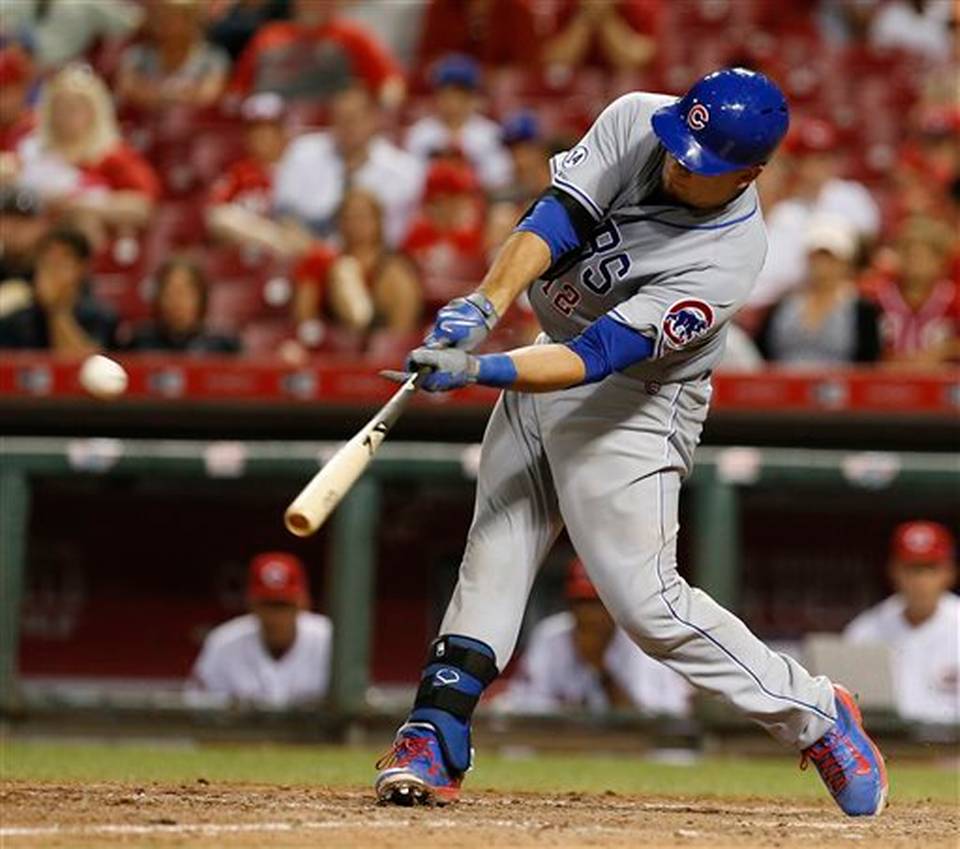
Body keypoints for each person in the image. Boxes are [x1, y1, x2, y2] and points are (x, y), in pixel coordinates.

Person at [373, 68, 887, 817]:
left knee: (647, 606)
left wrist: (484, 368)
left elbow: (596, 358)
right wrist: (484, 303)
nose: (679, 162)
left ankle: (815, 713)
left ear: (750, 173)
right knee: (497, 545)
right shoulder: (637, 119)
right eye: (682, 145)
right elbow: (553, 219)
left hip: (633, 403)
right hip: (547, 348)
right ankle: (436, 728)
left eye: (702, 163)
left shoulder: (729, 257)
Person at [495, 558, 690, 716]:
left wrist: (601, 671)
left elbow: (659, 723)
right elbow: (521, 707)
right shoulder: (551, 637)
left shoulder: (643, 642)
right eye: (581, 602)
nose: (589, 614)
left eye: (598, 603)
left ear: (616, 606)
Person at [11, 66, 160, 240]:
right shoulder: (31, 147)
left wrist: (82, 204)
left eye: (74, 108)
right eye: (59, 107)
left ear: (94, 111)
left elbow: (142, 207)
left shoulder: (112, 154)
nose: (64, 116)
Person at [747, 118, 880, 311]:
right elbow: (776, 274)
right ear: (796, 164)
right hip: (798, 298)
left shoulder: (852, 197)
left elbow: (870, 255)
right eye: (809, 159)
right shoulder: (787, 212)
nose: (817, 167)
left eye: (824, 158)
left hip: (847, 294)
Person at [273, 85, 423, 246]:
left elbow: (400, 234)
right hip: (308, 252)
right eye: (340, 118)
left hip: (374, 260)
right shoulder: (302, 152)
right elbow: (284, 212)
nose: (347, 126)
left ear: (374, 119)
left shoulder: (404, 169)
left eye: (354, 118)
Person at [844, 521, 959, 726]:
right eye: (912, 568)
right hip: (887, 747)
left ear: (949, 572)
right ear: (894, 571)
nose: (920, 580)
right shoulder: (865, 631)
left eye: (930, 568)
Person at [187, 552, 332, 708]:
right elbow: (196, 709)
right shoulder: (223, 643)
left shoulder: (331, 641)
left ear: (304, 603)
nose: (275, 616)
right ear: (251, 603)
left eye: (284, 604)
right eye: (267, 604)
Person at [293, 189, 422, 335]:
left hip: (378, 346)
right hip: (332, 345)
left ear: (377, 221)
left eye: (362, 217)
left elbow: (400, 332)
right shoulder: (323, 263)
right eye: (348, 218)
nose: (355, 225)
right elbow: (304, 319)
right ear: (339, 222)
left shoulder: (395, 270)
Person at [755, 216, 881, 366]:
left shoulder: (862, 311)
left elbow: (868, 362)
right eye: (817, 257)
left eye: (830, 258)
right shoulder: (782, 306)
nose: (823, 265)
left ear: (847, 263)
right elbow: (762, 355)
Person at [229, 0, 404, 107]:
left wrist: (379, 112)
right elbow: (237, 92)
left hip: (328, 133)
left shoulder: (351, 36)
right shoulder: (267, 37)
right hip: (270, 130)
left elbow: (390, 85)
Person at [206, 93, 311, 258]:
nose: (261, 137)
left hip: (297, 239)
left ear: (284, 131)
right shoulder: (239, 172)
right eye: (255, 130)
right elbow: (216, 216)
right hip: (257, 242)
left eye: (269, 129)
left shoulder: (300, 167)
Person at [404, 54, 511, 191]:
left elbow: (498, 179)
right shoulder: (420, 133)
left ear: (472, 97)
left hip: (477, 200)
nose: (453, 102)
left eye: (460, 95)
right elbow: (411, 179)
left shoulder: (489, 134)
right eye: (448, 94)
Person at [0, 227, 116, 353]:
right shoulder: (15, 321)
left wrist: (57, 311)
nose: (52, 272)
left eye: (62, 263)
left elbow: (89, 366)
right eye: (47, 263)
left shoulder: (100, 316)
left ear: (82, 268)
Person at [865, 216, 959, 368]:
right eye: (908, 254)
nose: (914, 263)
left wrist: (944, 351)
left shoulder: (953, 299)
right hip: (886, 382)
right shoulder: (876, 297)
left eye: (923, 256)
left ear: (941, 261)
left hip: (940, 385)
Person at [116, 0, 231, 112]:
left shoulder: (213, 58)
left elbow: (207, 96)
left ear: (195, 22)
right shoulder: (137, 55)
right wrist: (182, 93)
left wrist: (152, 93)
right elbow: (127, 90)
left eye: (179, 18)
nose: (169, 25)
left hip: (192, 127)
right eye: (164, 17)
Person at [125, 257, 240, 354]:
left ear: (201, 296)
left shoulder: (223, 344)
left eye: (184, 292)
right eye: (170, 292)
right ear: (158, 297)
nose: (177, 300)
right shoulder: (139, 341)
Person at [0, 0, 143, 70]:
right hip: (20, 72)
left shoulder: (86, 5)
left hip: (65, 72)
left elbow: (131, 22)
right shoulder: (16, 4)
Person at [415, 0, 541, 70]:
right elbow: (426, 62)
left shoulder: (516, 12)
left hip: (504, 96)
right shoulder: (441, 9)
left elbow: (529, 67)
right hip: (451, 92)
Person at [541, 0, 659, 72]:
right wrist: (586, 15)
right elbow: (556, 61)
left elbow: (637, 61)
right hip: (573, 99)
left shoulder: (641, 6)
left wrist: (606, 17)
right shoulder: (561, 6)